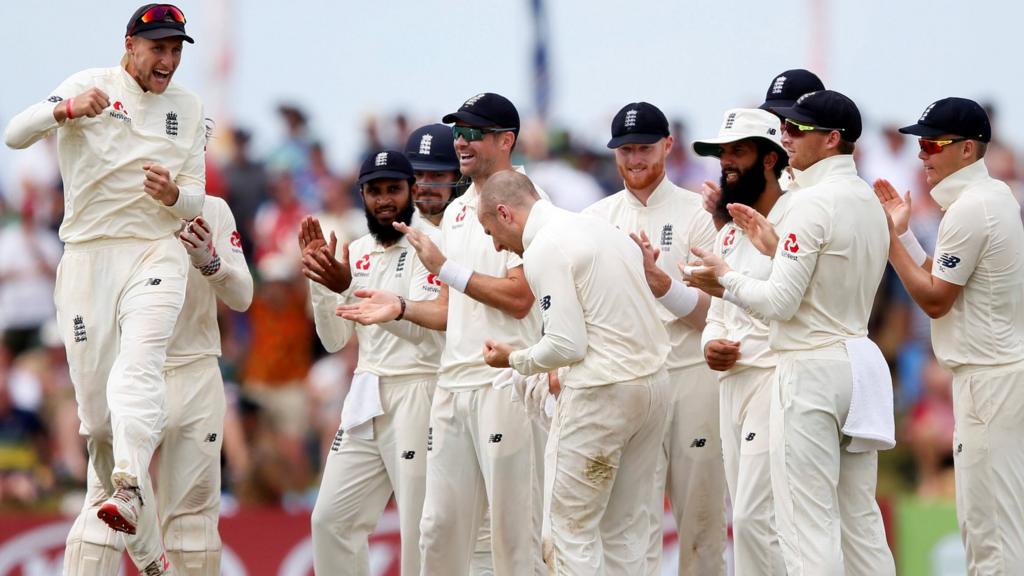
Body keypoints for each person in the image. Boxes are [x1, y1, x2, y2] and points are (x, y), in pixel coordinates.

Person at [4, 4, 205, 574]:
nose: (168, 61)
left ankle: (129, 488)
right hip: (88, 259)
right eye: (158, 49)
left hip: (154, 251)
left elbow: (196, 192)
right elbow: (15, 134)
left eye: (176, 50)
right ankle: (152, 560)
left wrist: (174, 197)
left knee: (137, 368)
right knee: (96, 422)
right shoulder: (90, 85)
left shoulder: (188, 108)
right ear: (131, 45)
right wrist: (65, 111)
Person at [336, 92, 546, 576]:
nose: (461, 142)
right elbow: (452, 308)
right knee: (436, 532)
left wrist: (446, 270)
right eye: (458, 133)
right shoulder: (456, 211)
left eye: (473, 133)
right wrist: (402, 308)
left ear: (505, 140)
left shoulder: (531, 203)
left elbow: (520, 297)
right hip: (453, 386)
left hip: (504, 383)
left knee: (513, 539)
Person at [689, 90, 896, 575]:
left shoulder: (809, 203)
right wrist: (767, 251)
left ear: (832, 139)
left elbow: (781, 303)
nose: (788, 136)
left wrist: (724, 278)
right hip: (860, 362)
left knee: (807, 526)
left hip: (809, 369)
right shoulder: (866, 198)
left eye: (799, 131)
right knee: (861, 523)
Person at [479, 170, 669, 574]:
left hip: (601, 396)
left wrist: (514, 359)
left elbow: (567, 345)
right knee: (626, 532)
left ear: (504, 213)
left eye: (489, 229)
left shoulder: (546, 247)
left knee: (567, 534)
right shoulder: (600, 228)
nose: (495, 243)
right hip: (652, 389)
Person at [64, 196, 253, 576]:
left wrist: (211, 263)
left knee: (192, 530)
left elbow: (242, 296)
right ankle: (154, 564)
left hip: (195, 373)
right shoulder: (116, 197)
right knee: (103, 514)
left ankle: (157, 564)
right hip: (133, 375)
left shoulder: (212, 210)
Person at [877, 97, 1024, 575]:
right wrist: (904, 238)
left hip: (988, 382)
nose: (922, 154)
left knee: (990, 532)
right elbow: (946, 282)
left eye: (933, 143)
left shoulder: (970, 209)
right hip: (994, 377)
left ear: (967, 151)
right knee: (992, 525)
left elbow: (937, 299)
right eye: (920, 143)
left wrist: (890, 240)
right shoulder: (992, 198)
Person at [583, 102, 725, 576]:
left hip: (691, 377)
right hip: (627, 384)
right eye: (624, 150)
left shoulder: (698, 215)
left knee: (701, 525)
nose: (634, 159)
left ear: (668, 145)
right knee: (626, 528)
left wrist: (661, 284)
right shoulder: (596, 220)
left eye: (644, 147)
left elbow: (716, 316)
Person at [302, 150, 443, 576]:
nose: (385, 200)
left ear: (411, 191)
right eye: (375, 191)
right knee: (330, 521)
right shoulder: (356, 249)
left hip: (419, 387)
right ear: (362, 195)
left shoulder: (427, 243)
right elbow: (334, 340)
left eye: (394, 190)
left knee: (419, 524)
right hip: (367, 392)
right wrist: (324, 286)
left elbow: (425, 331)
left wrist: (352, 285)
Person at [689, 107, 790, 574]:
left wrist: (727, 284)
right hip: (732, 384)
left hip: (775, 378)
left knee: (755, 518)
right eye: (723, 153)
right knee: (746, 518)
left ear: (770, 158)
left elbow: (788, 304)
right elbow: (720, 314)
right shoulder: (728, 230)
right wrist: (711, 344)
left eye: (739, 152)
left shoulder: (792, 221)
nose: (726, 162)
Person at [701, 69, 825, 230]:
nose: (779, 127)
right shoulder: (770, 180)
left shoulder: (834, 186)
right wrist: (724, 217)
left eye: (786, 118)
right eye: (770, 116)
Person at [404, 123, 465, 231]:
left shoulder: (475, 225)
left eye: (437, 175)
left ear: (457, 176)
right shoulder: (391, 229)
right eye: (418, 174)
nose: (425, 186)